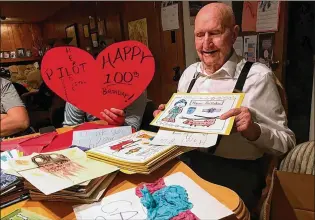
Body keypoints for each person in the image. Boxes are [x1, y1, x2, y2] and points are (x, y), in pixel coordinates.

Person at [153, 2, 295, 216]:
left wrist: (254, 130)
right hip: (189, 164)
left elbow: (286, 142)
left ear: (234, 33)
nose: (206, 43)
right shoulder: (189, 74)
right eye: (200, 35)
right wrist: (168, 118)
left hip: (236, 174)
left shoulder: (257, 77)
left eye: (215, 33)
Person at [63, 91, 147, 131]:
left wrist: (121, 124)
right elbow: (68, 128)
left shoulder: (137, 89)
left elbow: (133, 128)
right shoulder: (76, 90)